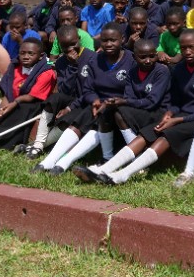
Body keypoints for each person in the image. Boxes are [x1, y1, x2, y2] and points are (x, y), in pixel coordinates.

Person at [92, 29, 194, 185]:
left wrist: (176, 120)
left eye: (192, 47)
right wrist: (169, 113)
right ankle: (106, 168)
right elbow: (176, 101)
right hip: (179, 115)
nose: (187, 51)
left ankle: (123, 174)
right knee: (148, 132)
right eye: (183, 48)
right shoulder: (180, 68)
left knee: (167, 134)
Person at [33, 23, 134, 174]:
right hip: (97, 103)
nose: (109, 44)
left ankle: (64, 162)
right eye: (105, 41)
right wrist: (94, 100)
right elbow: (88, 88)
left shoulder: (131, 60)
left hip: (120, 105)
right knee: (80, 121)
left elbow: (132, 90)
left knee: (100, 117)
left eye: (113, 40)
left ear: (123, 39)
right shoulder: (97, 60)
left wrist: (113, 101)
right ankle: (49, 161)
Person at [72, 37, 170, 184]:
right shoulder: (132, 72)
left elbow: (152, 102)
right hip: (140, 109)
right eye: (142, 57)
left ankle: (135, 160)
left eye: (152, 56)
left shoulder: (161, 71)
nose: (148, 60)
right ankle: (107, 158)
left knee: (120, 110)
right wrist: (115, 102)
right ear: (134, 57)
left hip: (158, 112)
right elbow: (129, 96)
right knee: (109, 110)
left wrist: (123, 101)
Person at [0, 36, 55, 152]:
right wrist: (4, 107)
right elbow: (9, 90)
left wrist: (14, 104)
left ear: (41, 56)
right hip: (14, 100)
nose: (26, 57)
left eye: (31, 54)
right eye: (22, 53)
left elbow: (33, 96)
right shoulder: (15, 67)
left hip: (33, 104)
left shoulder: (47, 72)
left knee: (18, 112)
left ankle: (3, 143)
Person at [27, 26, 94, 158]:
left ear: (79, 40)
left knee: (71, 116)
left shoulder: (93, 58)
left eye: (73, 44)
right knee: (53, 99)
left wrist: (70, 107)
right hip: (70, 98)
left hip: (86, 102)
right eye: (65, 46)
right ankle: (38, 144)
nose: (70, 49)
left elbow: (91, 88)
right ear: (60, 46)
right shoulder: (61, 62)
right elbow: (65, 89)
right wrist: (72, 66)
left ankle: (38, 146)